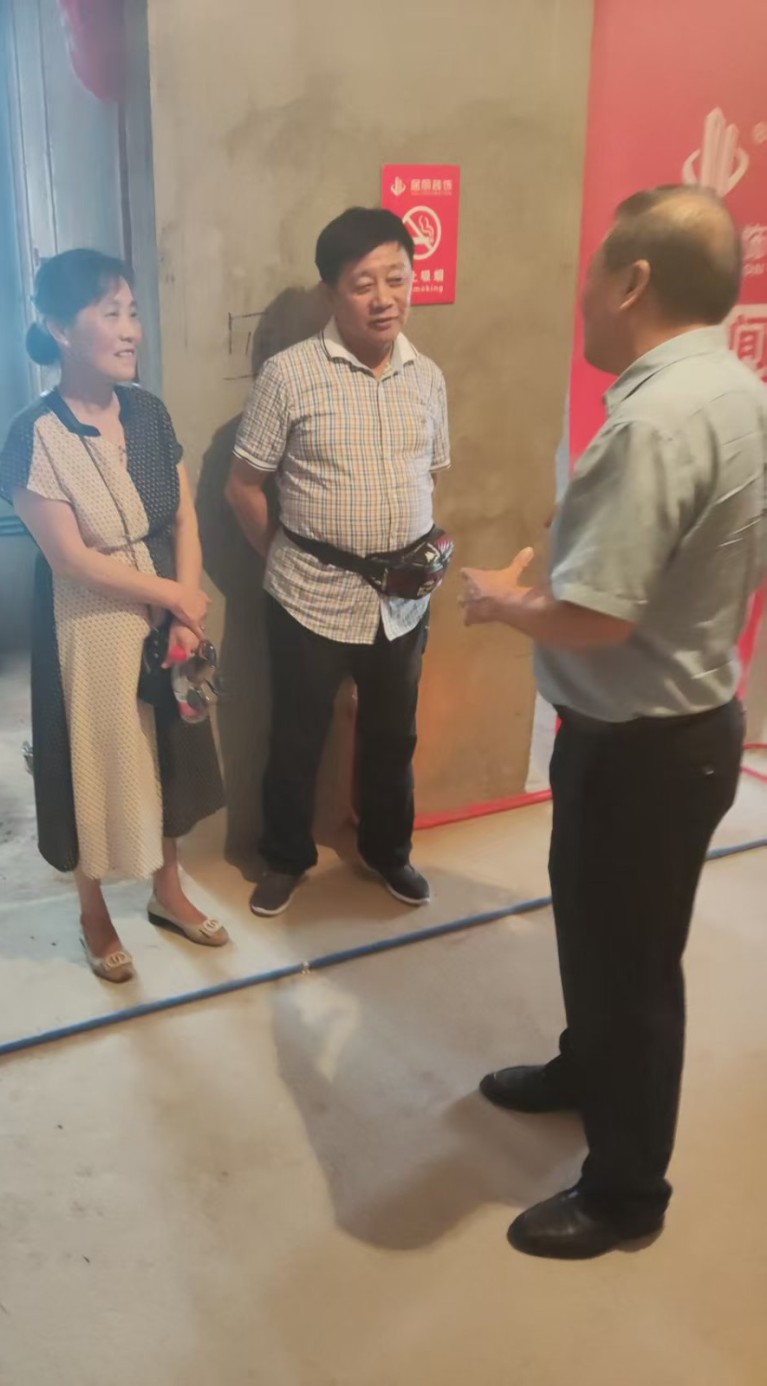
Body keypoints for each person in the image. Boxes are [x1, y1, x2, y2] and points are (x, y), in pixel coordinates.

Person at [461, 186, 766, 1258]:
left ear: (632, 281)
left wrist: (501, 602)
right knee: (601, 940)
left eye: (591, 272)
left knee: (632, 972)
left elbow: (595, 618)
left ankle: (627, 1193)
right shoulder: (735, 388)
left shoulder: (652, 420)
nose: (581, 294)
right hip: (675, 729)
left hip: (642, 747)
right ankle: (586, 1071)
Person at [0, 250, 227, 983]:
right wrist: (173, 597)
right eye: (110, 313)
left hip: (165, 607)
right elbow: (69, 558)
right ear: (61, 329)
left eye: (132, 312)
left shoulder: (149, 413)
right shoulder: (34, 435)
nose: (131, 330)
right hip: (85, 621)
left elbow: (183, 516)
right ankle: (93, 911)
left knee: (168, 751)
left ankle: (167, 891)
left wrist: (185, 607)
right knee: (94, 757)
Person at [226, 207, 450, 917]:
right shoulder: (289, 375)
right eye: (363, 283)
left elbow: (430, 475)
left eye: (396, 279)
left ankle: (388, 851)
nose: (384, 298)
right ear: (331, 291)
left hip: (403, 599)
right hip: (308, 594)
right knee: (297, 735)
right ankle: (285, 858)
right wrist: (283, 559)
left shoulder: (427, 377)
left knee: (393, 736)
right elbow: (243, 486)